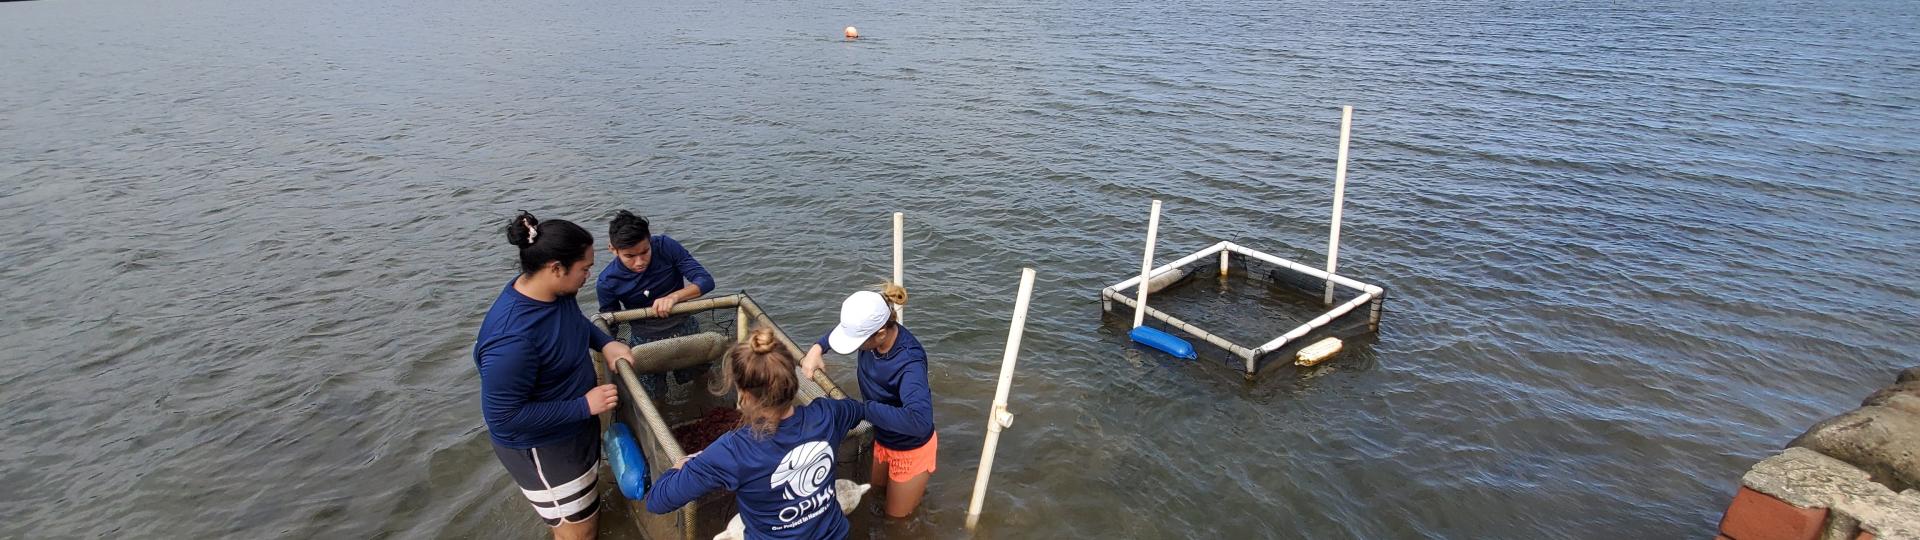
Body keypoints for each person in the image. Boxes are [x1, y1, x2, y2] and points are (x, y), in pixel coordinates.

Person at [475, 211, 635, 540]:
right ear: (555, 268)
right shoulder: (512, 340)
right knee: (578, 531)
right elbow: (504, 417)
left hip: (574, 428)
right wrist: (583, 406)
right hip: (543, 449)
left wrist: (605, 343)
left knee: (586, 511)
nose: (589, 275)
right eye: (585, 269)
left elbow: (573, 325)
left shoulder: (557, 293)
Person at [646, 328, 867, 539]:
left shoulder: (731, 451)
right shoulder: (829, 413)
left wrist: (679, 466)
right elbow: (860, 410)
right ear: (793, 379)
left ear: (744, 394)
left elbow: (657, 501)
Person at [799, 284, 936, 518]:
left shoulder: (909, 362)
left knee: (896, 519)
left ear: (881, 332)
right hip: (880, 435)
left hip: (910, 446)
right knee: (872, 494)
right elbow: (842, 331)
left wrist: (863, 410)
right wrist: (817, 348)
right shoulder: (870, 335)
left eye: (858, 341)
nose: (855, 346)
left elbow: (920, 420)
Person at [596, 210, 716, 398]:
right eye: (629, 256)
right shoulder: (607, 281)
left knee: (702, 379)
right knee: (653, 396)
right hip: (645, 340)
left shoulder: (666, 246)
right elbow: (612, 324)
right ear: (612, 249)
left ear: (650, 240)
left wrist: (675, 296)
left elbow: (705, 281)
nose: (639, 262)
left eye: (645, 252)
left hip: (684, 327)